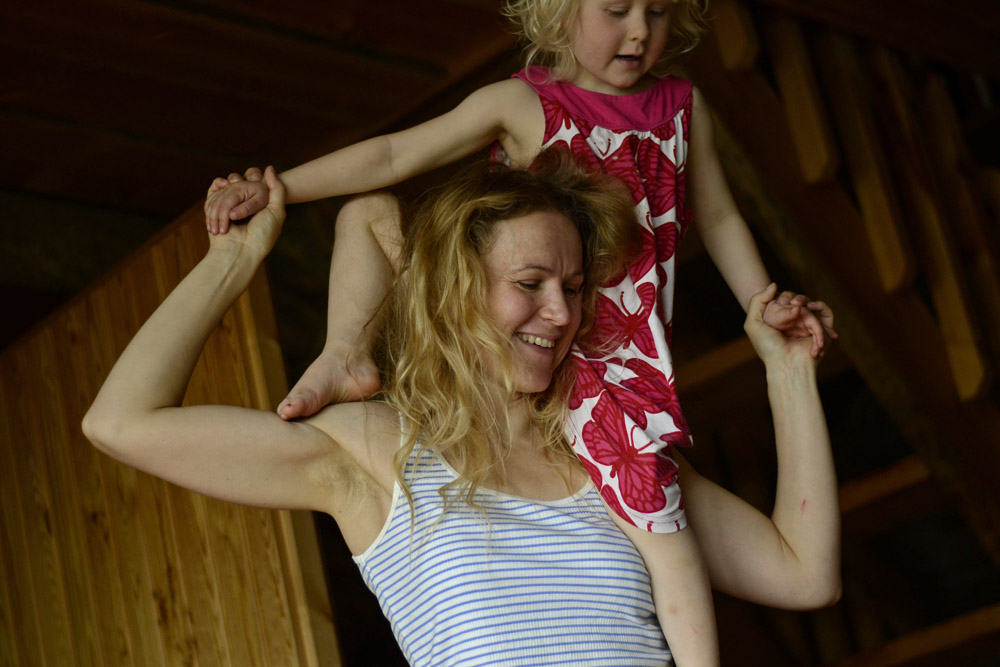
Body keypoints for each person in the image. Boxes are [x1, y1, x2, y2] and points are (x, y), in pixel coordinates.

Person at [203, 2, 838, 659]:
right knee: (368, 213)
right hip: (544, 349)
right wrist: (278, 190)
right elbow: (394, 152)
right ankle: (347, 355)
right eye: (617, 9)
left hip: (616, 377)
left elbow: (723, 217)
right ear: (558, 9)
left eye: (658, 10)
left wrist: (767, 320)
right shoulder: (521, 104)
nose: (642, 30)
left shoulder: (684, 107)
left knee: (663, 531)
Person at [86, 153, 839, 666]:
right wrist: (234, 261)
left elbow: (804, 574)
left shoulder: (612, 453)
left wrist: (788, 372)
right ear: (457, 290)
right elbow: (120, 421)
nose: (559, 312)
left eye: (574, 287)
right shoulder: (377, 454)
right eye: (532, 281)